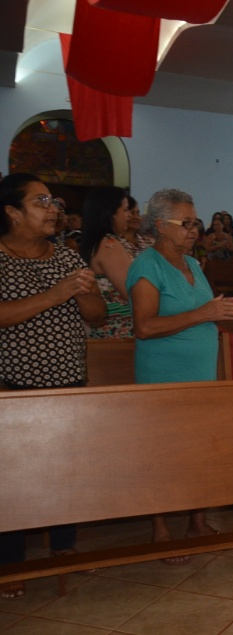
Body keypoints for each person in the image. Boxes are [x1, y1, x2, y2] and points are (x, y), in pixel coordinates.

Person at [127, 188, 233, 562]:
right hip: (163, 377)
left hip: (200, 375)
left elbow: (207, 310)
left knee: (199, 452)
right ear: (160, 225)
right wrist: (205, 314)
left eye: (195, 222)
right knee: (163, 455)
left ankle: (197, 522)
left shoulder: (194, 265)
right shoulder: (146, 266)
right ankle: (161, 530)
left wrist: (228, 311)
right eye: (186, 223)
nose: (194, 230)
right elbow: (145, 326)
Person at [0, 173, 107, 598]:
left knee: (66, 469)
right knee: (13, 477)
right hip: (12, 387)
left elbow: (97, 316)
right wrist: (57, 293)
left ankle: (64, 547)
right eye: (41, 201)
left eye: (55, 201)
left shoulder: (67, 256)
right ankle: (10, 561)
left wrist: (83, 295)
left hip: (69, 383)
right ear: (11, 212)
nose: (53, 209)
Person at [79, 186, 136, 338]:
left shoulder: (98, 242)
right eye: (125, 210)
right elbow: (132, 291)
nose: (129, 216)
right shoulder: (109, 244)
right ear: (110, 213)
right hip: (119, 332)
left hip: (108, 331)